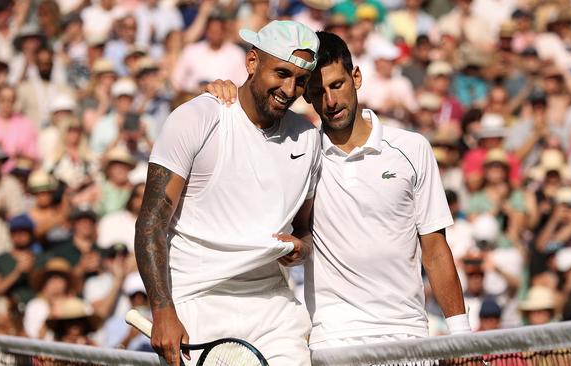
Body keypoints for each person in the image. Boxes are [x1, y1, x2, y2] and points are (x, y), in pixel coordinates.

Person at [207, 31, 469, 352]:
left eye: (337, 85)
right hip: (332, 340)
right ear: (307, 97)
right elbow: (247, 131)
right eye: (317, 92)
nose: (329, 102)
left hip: (406, 332)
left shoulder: (412, 149)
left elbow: (435, 250)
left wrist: (462, 337)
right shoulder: (299, 150)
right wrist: (225, 97)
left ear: (355, 77)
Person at [135, 20, 321, 366]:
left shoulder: (308, 138)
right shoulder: (196, 118)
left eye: (300, 80)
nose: (289, 88)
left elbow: (306, 227)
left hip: (277, 311)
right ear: (252, 63)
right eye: (281, 73)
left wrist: (303, 247)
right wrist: (162, 311)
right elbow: (150, 223)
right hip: (198, 305)